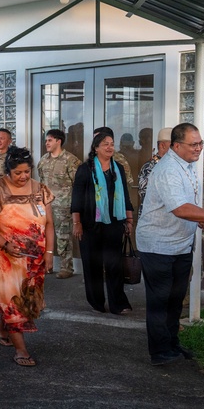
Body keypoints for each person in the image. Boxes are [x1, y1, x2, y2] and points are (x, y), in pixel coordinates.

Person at [136, 123, 204, 365]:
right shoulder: (168, 169)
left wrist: (199, 217)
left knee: (175, 299)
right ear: (176, 145)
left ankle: (171, 343)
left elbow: (186, 202)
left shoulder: (187, 164)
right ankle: (159, 351)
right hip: (158, 245)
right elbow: (180, 208)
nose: (199, 148)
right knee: (160, 301)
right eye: (193, 144)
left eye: (200, 143)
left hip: (180, 245)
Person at [0, 146, 55, 366]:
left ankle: (1, 329)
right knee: (12, 301)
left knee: (23, 297)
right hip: (3, 257)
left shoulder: (41, 190)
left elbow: (49, 224)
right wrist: (6, 245)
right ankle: (21, 350)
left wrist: (49, 252)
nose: (23, 176)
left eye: (27, 171)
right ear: (8, 171)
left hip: (33, 259)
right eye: (18, 172)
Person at [71, 130, 134, 315]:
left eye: (112, 144)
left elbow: (126, 196)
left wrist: (129, 220)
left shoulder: (118, 168)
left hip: (114, 223)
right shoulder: (85, 169)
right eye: (105, 144)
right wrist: (77, 223)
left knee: (114, 265)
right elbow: (77, 198)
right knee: (93, 266)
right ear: (96, 148)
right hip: (90, 224)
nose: (109, 147)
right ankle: (97, 302)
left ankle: (118, 304)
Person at [36, 128, 81, 279]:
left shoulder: (71, 160)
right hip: (46, 206)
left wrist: (75, 208)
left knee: (63, 237)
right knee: (44, 235)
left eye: (49, 140)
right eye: (46, 140)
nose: (46, 143)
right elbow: (41, 182)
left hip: (64, 206)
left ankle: (66, 267)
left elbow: (78, 185)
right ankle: (47, 265)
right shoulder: (44, 160)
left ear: (58, 141)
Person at [138, 127, 172, 222]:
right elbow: (148, 196)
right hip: (153, 222)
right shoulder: (150, 167)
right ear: (162, 145)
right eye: (173, 145)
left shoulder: (171, 165)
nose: (177, 148)